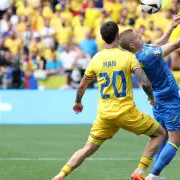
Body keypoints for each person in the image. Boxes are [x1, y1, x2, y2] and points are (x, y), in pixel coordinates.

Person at [51, 21, 166, 180]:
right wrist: (151, 97)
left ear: (103, 38)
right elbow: (144, 81)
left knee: (87, 148)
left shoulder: (96, 59)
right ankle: (139, 171)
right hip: (126, 112)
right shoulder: (128, 56)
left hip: (105, 115)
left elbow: (82, 85)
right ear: (118, 35)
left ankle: (61, 174)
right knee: (160, 133)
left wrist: (78, 102)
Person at [119, 15, 180, 180]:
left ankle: (151, 174)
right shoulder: (146, 56)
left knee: (163, 136)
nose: (140, 36)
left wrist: (171, 27)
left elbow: (158, 44)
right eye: (137, 36)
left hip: (158, 100)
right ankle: (153, 175)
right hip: (169, 99)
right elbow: (175, 45)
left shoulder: (139, 53)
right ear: (132, 44)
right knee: (176, 139)